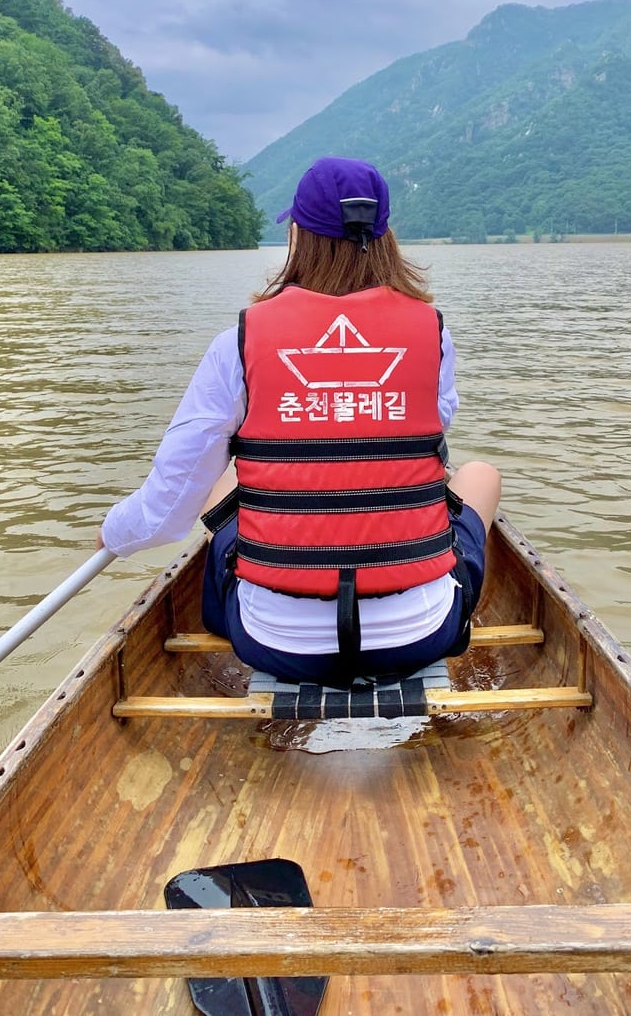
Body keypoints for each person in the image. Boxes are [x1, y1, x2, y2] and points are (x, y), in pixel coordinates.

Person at [97, 156, 501, 686]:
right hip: (423, 634)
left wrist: (109, 536)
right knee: (480, 476)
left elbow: (164, 514)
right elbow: (434, 427)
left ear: (297, 235)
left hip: (270, 641)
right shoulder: (433, 334)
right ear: (385, 236)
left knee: (228, 476)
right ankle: (444, 607)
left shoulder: (238, 344)